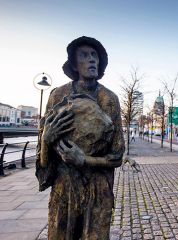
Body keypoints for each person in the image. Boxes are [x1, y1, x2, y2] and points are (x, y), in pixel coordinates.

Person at [35, 36, 125, 239]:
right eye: (84, 55)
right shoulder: (58, 95)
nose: (92, 59)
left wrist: (85, 159)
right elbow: (43, 158)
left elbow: (117, 156)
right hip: (64, 187)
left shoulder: (110, 99)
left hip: (98, 188)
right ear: (75, 64)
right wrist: (46, 141)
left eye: (94, 55)